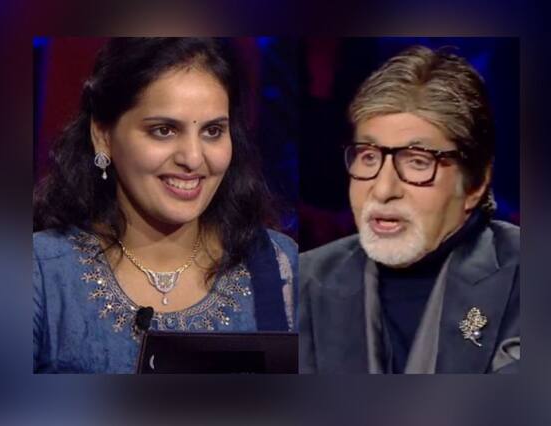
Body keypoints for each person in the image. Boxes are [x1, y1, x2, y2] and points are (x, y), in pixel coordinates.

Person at [33, 38, 298, 373]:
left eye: (213, 131)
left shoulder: (283, 265)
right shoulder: (41, 272)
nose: (193, 158)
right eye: (164, 130)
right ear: (103, 135)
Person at [299, 45, 519, 374]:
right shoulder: (301, 283)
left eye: (418, 162)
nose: (383, 190)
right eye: (369, 157)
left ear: (475, 184)